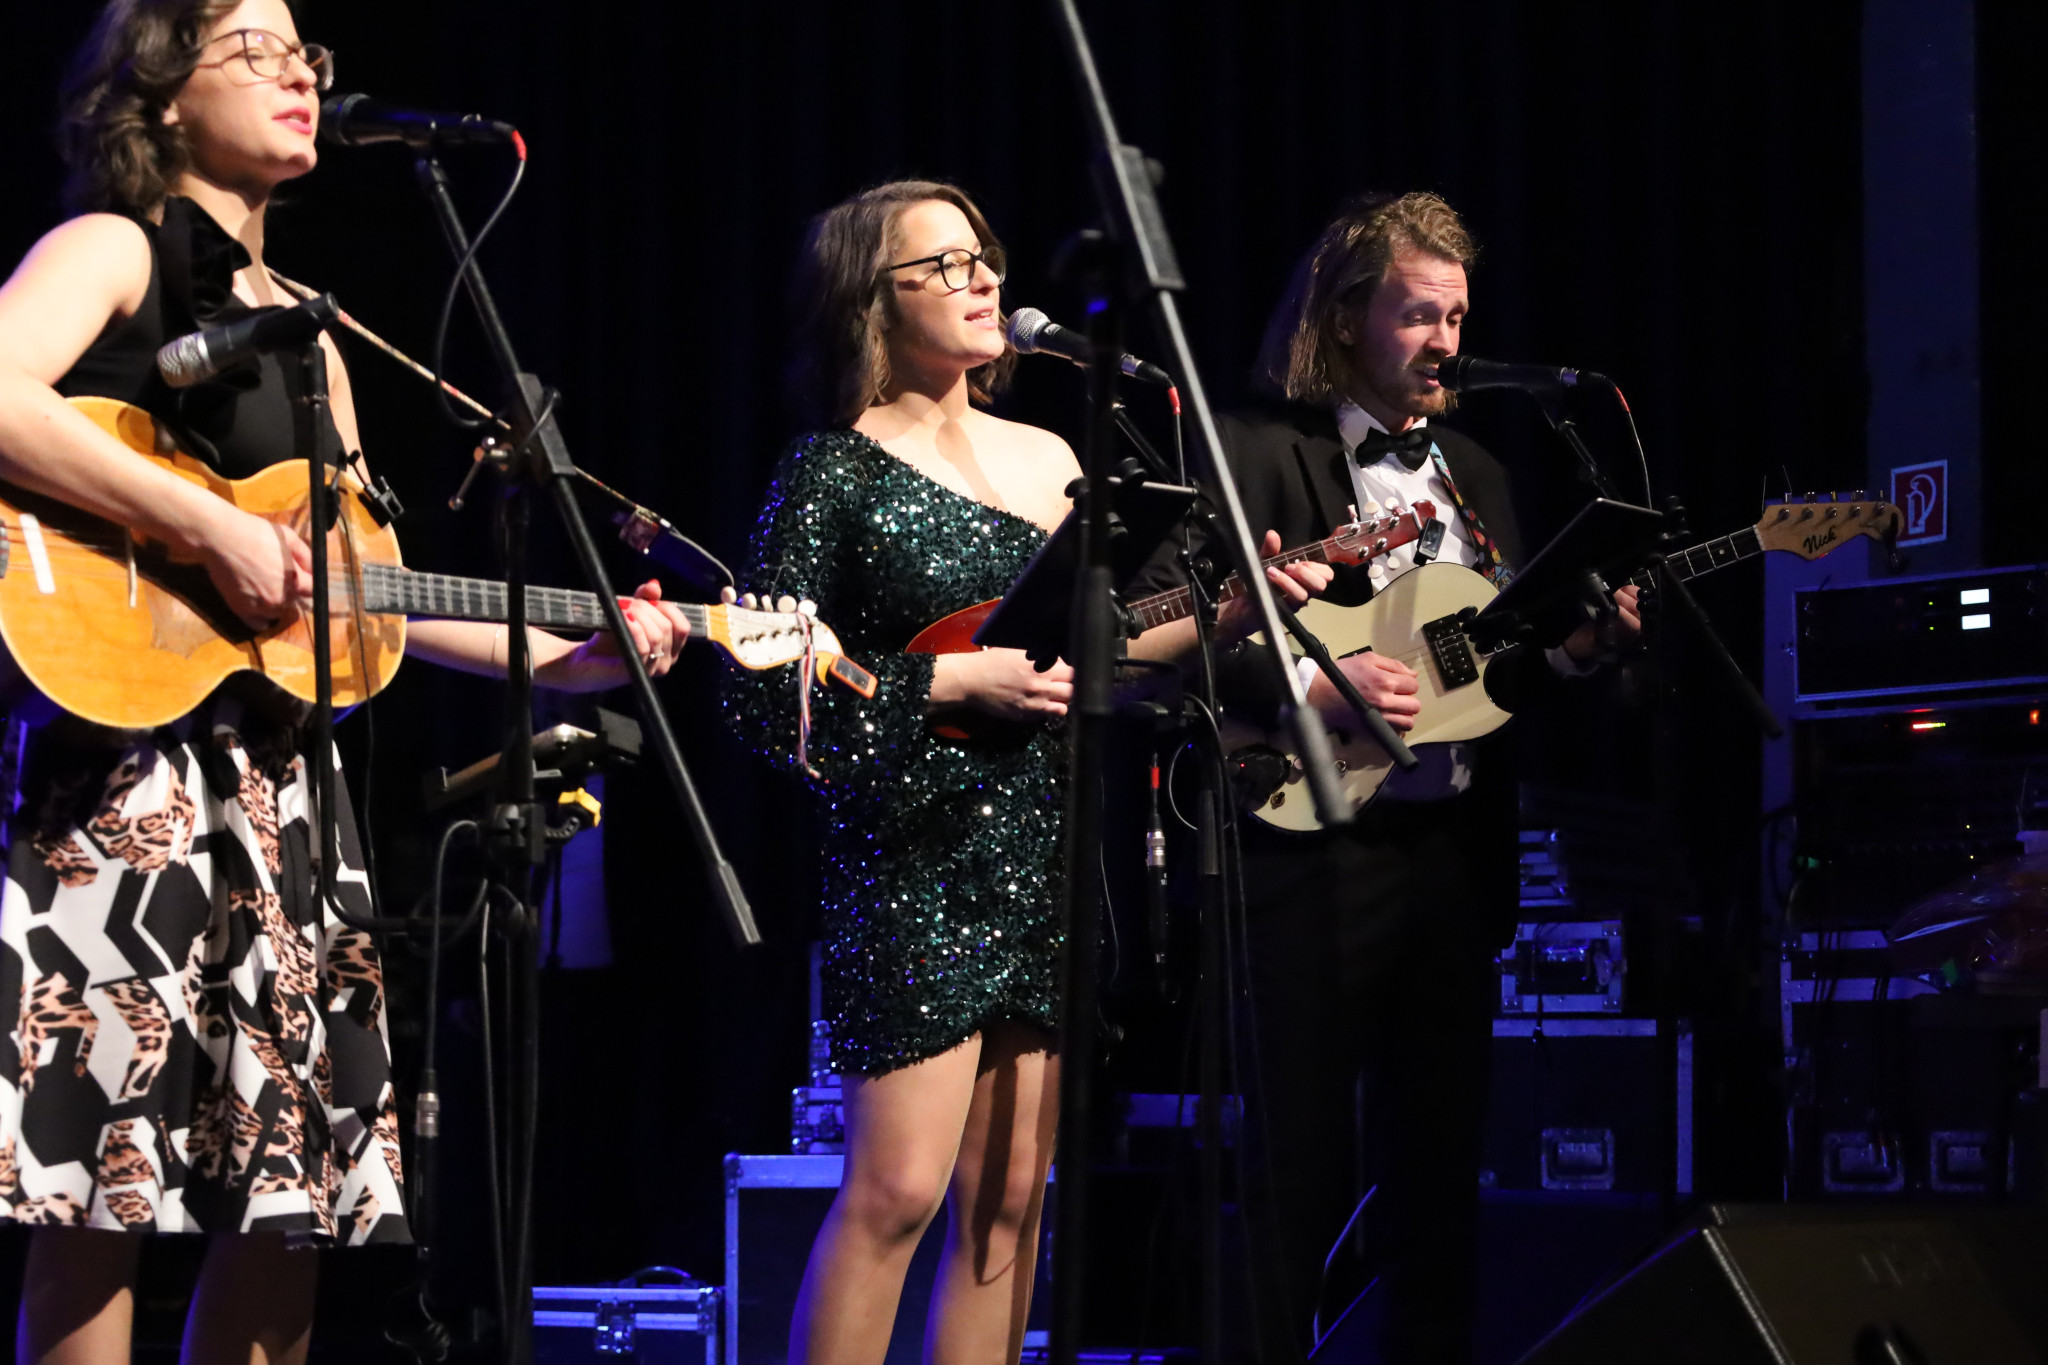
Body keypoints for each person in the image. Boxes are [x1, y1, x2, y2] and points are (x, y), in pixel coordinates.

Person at [0, 4, 690, 1362]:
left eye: (303, 54)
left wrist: (570, 657)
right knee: (101, 1190)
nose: (299, 76)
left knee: (289, 1205)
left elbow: (362, 593)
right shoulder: (114, 249)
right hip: (128, 776)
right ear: (159, 95)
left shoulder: (318, 337)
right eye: (251, 49)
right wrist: (202, 525)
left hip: (288, 802)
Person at [721, 180, 1322, 1365]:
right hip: (912, 860)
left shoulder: (1049, 455)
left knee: (1009, 1202)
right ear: (870, 300)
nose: (982, 278)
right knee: (897, 1193)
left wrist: (1229, 612)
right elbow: (759, 687)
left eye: (982, 255)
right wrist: (948, 684)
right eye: (942, 265)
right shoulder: (830, 470)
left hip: (1042, 851)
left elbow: (1098, 653)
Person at [1131, 191, 1640, 1364]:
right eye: (1417, 316)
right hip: (1306, 853)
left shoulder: (1477, 473)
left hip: (1450, 855)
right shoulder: (1248, 449)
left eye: (1455, 317)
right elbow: (1148, 631)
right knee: (1293, 1171)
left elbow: (1483, 674)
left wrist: (1572, 651)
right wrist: (1304, 685)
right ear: (1343, 318)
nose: (1445, 343)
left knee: (1436, 1177)